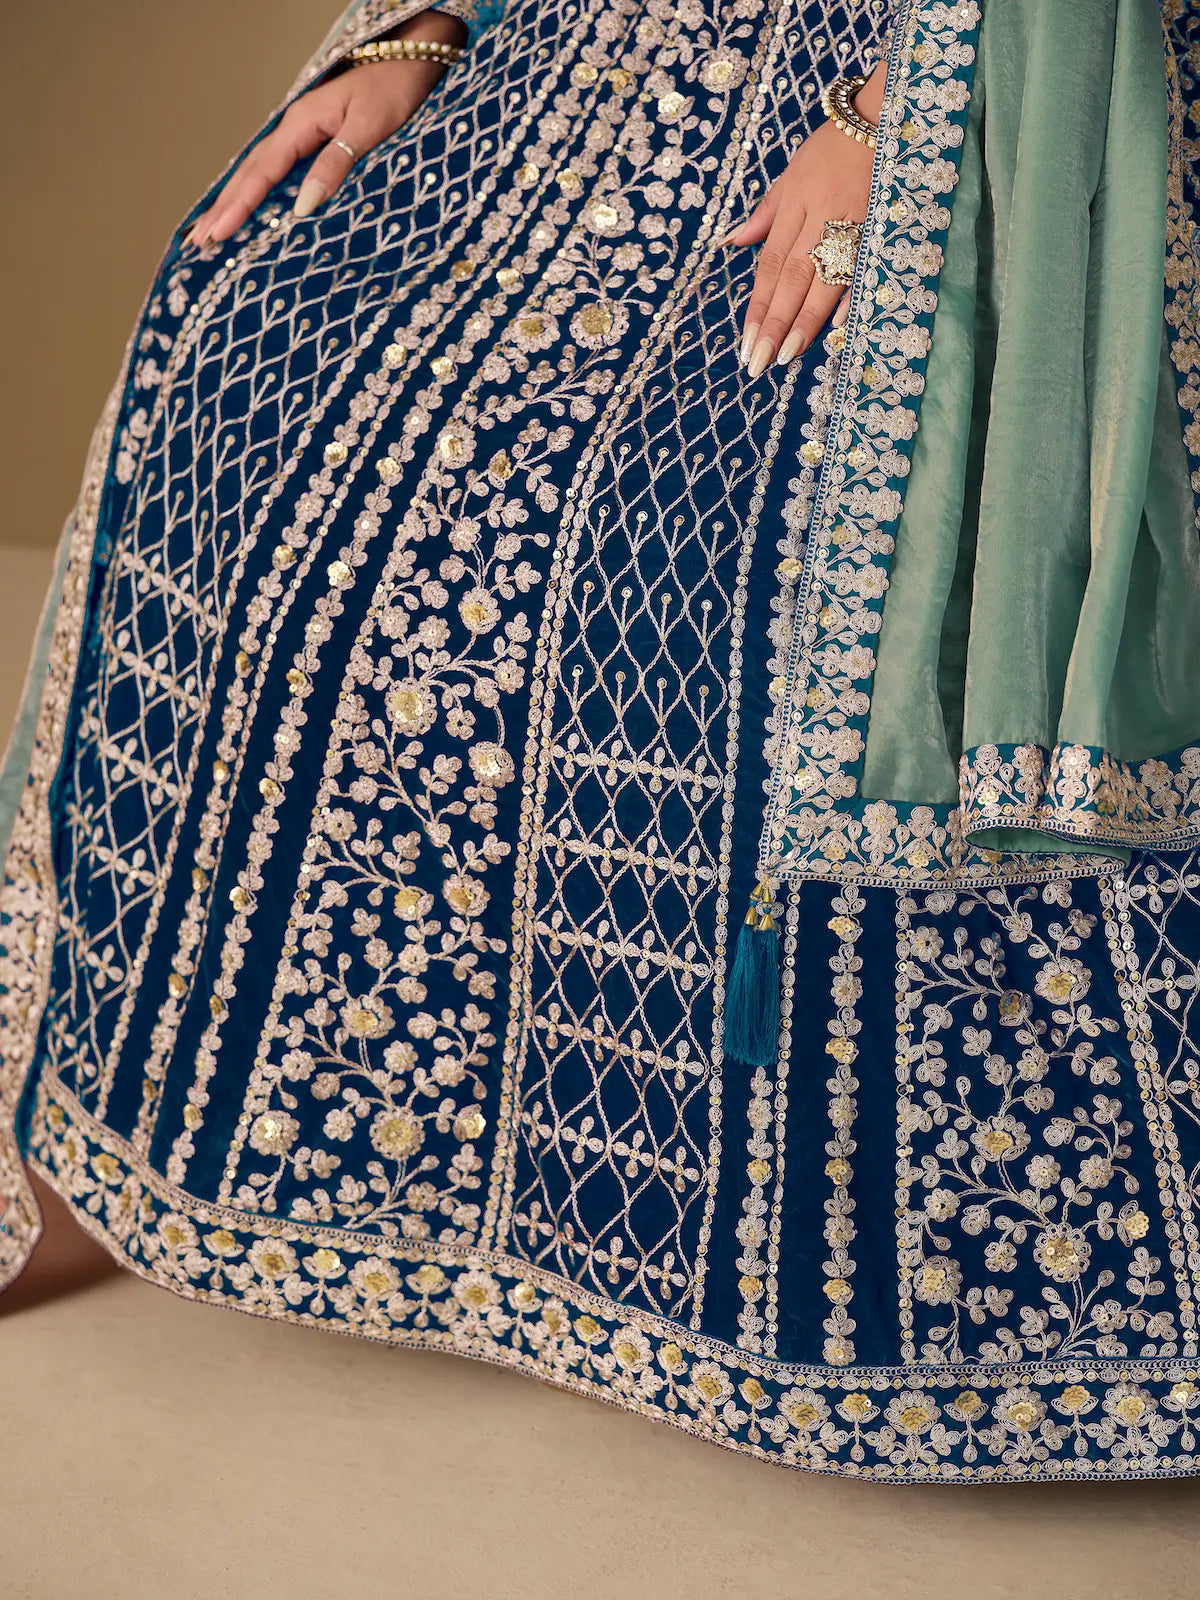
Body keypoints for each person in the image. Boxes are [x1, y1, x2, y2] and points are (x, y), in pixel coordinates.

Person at [2, 0, 1199, 1484]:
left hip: (959, 67)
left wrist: (890, 114)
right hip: (599, 55)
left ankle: (830, 1282)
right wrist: (425, 25)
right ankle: (164, 1131)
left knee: (700, 523)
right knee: (247, 346)